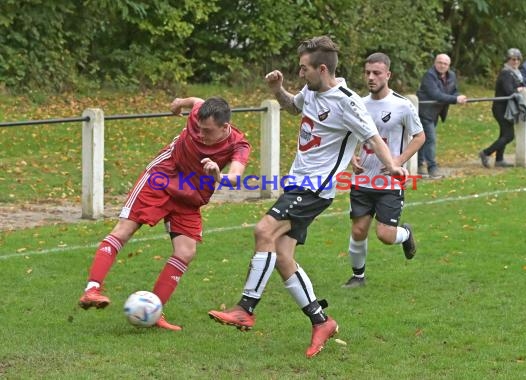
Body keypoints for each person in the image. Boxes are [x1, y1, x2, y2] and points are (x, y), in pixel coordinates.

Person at [207, 36, 405, 358]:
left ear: (322, 68)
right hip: (296, 183)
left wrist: (392, 166)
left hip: (314, 188)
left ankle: (246, 307)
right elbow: (292, 107)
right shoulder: (311, 91)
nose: (300, 74)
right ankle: (321, 321)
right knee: (283, 256)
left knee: (263, 231)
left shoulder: (347, 102)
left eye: (304, 69)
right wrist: (277, 90)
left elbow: (372, 136)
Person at [78, 96, 251, 331]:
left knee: (186, 251)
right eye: (199, 129)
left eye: (207, 131)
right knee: (124, 230)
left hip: (191, 193)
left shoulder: (238, 145)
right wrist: (178, 102)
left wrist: (218, 176)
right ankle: (92, 290)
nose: (201, 135)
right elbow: (195, 100)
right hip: (162, 177)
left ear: (224, 127)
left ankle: (154, 311)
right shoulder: (199, 113)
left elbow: (236, 178)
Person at [342, 53, 425, 288]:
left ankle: (406, 234)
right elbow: (350, 136)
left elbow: (419, 137)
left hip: (389, 182)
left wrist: (397, 161)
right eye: (367, 72)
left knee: (385, 235)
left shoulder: (402, 105)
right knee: (358, 231)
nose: (371, 77)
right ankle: (358, 277)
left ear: (388, 75)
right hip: (363, 180)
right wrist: (352, 156)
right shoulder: (359, 103)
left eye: (376, 73)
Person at [416, 54, 468, 179]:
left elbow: (454, 90)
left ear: (448, 65)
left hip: (435, 113)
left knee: (423, 140)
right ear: (435, 63)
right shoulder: (429, 76)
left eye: (445, 63)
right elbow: (436, 95)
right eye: (440, 62)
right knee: (430, 139)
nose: (442, 65)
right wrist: (455, 99)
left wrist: (459, 96)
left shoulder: (451, 76)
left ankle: (419, 164)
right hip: (424, 112)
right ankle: (432, 167)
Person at [479, 48, 526, 168]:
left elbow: (523, 86)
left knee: (503, 134)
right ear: (508, 60)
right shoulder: (506, 73)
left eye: (518, 59)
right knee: (509, 135)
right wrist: (518, 90)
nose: (515, 62)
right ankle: (486, 153)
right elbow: (509, 90)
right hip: (501, 108)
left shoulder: (516, 73)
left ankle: (499, 160)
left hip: (508, 108)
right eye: (513, 59)